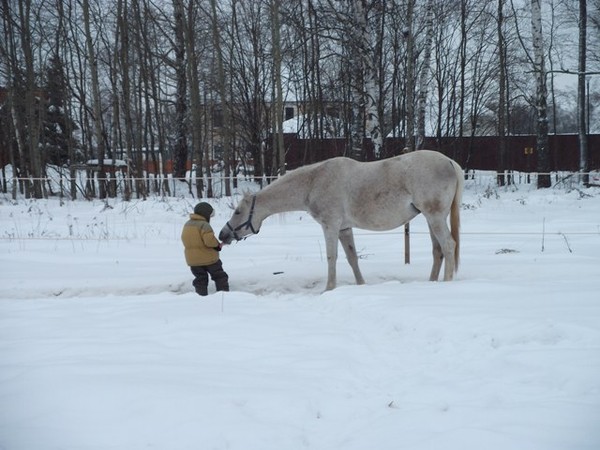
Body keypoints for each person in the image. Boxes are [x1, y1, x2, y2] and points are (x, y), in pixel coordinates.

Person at [181, 202, 229, 296]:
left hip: (193, 261)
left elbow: (184, 238)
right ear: (206, 214)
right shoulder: (204, 225)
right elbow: (209, 241)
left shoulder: (187, 224)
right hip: (209, 259)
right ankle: (224, 296)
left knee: (200, 279)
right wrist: (217, 246)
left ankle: (201, 297)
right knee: (220, 276)